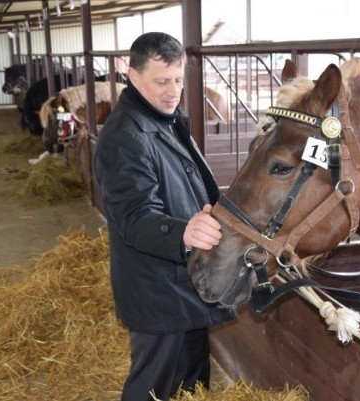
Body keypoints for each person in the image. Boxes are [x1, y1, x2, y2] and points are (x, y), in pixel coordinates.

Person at [94, 32, 236, 401]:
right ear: (132, 74)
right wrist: (183, 232)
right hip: (156, 288)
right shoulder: (125, 136)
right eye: (161, 81)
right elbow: (134, 217)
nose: (173, 90)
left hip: (184, 279)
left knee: (192, 380)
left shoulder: (165, 120)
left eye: (178, 80)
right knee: (153, 385)